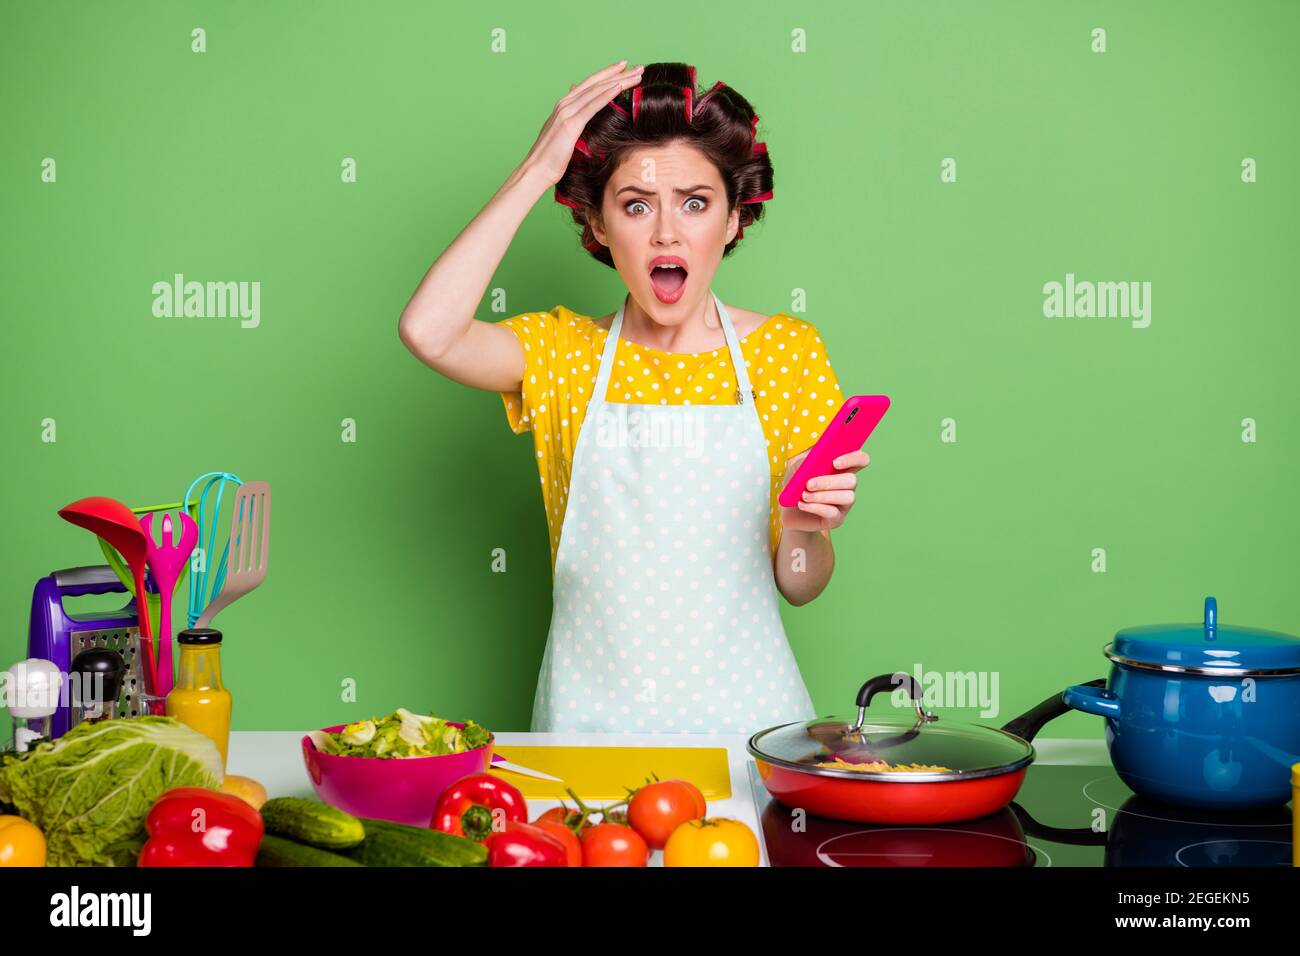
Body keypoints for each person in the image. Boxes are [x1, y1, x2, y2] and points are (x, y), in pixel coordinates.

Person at [399, 61, 870, 734]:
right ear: (596, 225)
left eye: (696, 203)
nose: (667, 234)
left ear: (734, 221)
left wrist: (806, 526)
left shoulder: (785, 353)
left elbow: (799, 583)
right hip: (590, 725)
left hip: (751, 727)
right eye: (636, 205)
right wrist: (537, 169)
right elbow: (428, 330)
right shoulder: (564, 354)